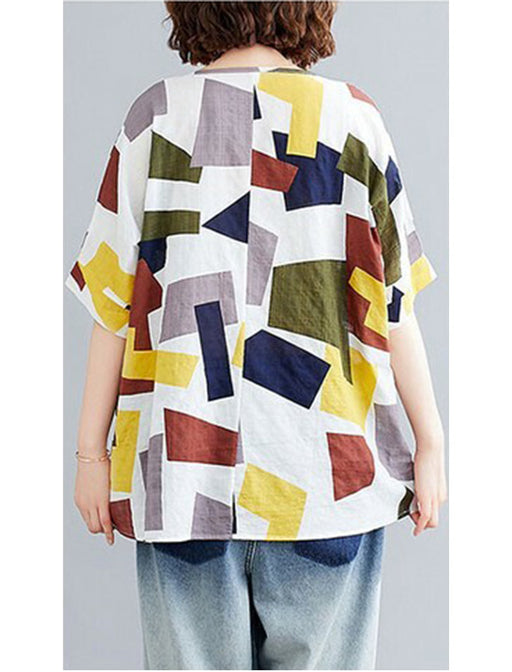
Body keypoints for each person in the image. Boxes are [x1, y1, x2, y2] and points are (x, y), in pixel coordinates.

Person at [66, 2, 447, 669]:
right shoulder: (353, 118)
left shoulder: (154, 118)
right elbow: (393, 304)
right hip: (326, 476)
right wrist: (432, 443)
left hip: (184, 475)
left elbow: (113, 308)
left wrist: (90, 456)